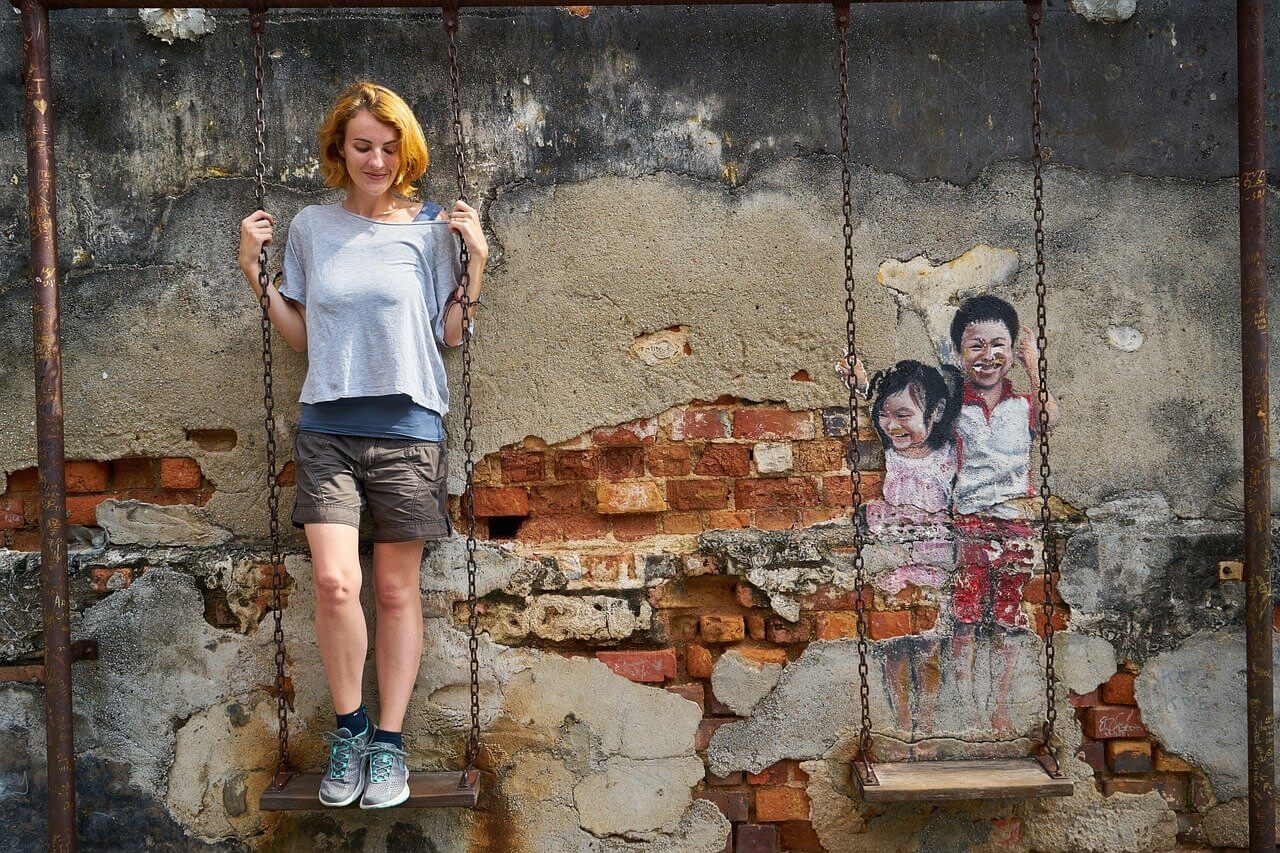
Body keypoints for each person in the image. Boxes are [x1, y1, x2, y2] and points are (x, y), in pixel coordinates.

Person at [236, 81, 488, 809]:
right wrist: (255, 272)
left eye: (389, 146)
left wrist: (478, 258)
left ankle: (389, 743)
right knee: (335, 582)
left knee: (393, 587)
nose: (376, 159)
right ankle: (349, 730)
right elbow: (309, 338)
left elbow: (449, 332)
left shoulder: (431, 226)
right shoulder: (314, 227)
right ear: (338, 151)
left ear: (405, 151)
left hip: (409, 429)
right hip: (327, 428)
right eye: (362, 146)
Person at [948, 294, 1059, 518]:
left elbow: (1049, 421)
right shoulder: (951, 408)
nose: (989, 356)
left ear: (1011, 350)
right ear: (958, 354)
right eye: (976, 346)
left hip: (1019, 522)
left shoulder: (1024, 405)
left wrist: (1034, 371)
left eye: (998, 345)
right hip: (968, 522)